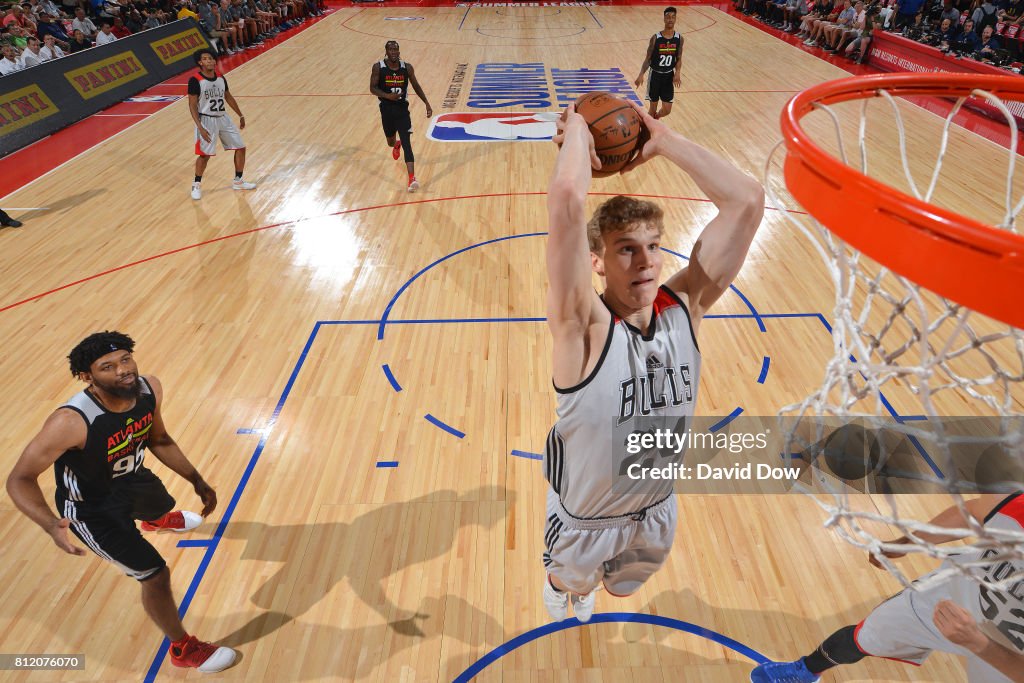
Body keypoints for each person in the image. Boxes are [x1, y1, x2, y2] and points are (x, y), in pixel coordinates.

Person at [541, 102, 764, 622]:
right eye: (625, 249)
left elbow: (747, 201)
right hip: (585, 520)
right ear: (595, 262)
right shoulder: (584, 328)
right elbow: (569, 200)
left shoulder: (685, 308)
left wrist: (662, 140)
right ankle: (561, 584)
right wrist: (578, 129)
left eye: (654, 246)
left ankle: (595, 583)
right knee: (571, 580)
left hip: (658, 507)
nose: (644, 261)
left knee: (624, 590)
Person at [5, 331, 237, 673]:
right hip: (91, 509)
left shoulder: (149, 388)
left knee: (161, 504)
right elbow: (19, 479)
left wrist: (197, 479)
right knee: (155, 574)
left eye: (126, 359)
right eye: (108, 367)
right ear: (88, 377)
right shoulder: (70, 422)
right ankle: (182, 648)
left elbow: (158, 437)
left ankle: (155, 519)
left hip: (130, 480)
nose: (123, 370)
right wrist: (50, 523)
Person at [750, 493, 1024, 682]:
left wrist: (978, 643)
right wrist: (905, 544)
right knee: (864, 635)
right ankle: (805, 671)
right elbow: (973, 513)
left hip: (1010, 656)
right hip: (952, 599)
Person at [187, 48, 256, 200]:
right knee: (205, 155)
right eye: (206, 59)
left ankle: (238, 180)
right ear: (200, 62)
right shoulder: (195, 80)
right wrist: (200, 127)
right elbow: (192, 105)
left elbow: (228, 97)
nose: (210, 61)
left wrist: (240, 114)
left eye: (211, 58)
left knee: (240, 147)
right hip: (206, 120)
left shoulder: (220, 78)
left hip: (223, 117)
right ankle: (196, 184)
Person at [369, 40, 432, 193]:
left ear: (399, 51)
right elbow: (372, 88)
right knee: (390, 142)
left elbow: (416, 86)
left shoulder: (407, 67)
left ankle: (412, 178)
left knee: (407, 143)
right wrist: (387, 96)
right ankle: (396, 144)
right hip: (386, 109)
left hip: (402, 111)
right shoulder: (378, 67)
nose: (394, 52)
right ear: (386, 51)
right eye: (391, 49)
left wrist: (426, 103)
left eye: (396, 49)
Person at [634, 6, 683, 119]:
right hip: (655, 76)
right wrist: (641, 74)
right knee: (652, 109)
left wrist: (678, 72)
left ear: (675, 19)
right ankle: (648, 132)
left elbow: (679, 58)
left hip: (668, 76)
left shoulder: (679, 38)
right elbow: (648, 59)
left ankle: (654, 120)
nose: (670, 19)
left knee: (667, 110)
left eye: (673, 17)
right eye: (668, 17)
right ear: (664, 19)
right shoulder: (656, 38)